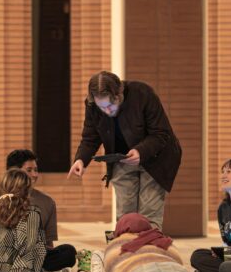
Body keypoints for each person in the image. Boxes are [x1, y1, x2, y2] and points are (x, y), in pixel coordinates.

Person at [68, 71, 181, 230]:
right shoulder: (92, 105)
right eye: (102, 108)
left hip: (155, 158)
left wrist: (140, 151)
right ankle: (126, 251)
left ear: (118, 95)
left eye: (110, 106)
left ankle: (148, 251)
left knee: (148, 215)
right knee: (125, 218)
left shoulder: (143, 94)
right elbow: (90, 137)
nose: (107, 111)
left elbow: (161, 133)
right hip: (122, 158)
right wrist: (81, 159)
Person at [0, 150, 76, 272]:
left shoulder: (47, 202)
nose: (35, 175)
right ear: (14, 172)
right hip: (1, 261)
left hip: (34, 259)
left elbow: (48, 244)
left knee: (68, 252)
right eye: (29, 170)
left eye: (36, 170)